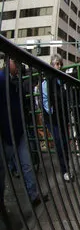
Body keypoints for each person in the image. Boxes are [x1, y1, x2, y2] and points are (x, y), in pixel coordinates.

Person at [0, 59, 48, 207]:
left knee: (26, 164)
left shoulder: (16, 81)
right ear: (9, 63)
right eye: (16, 63)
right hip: (6, 133)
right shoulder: (2, 79)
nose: (19, 67)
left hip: (18, 130)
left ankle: (33, 196)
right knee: (2, 170)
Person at [42, 54, 74, 182]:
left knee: (65, 144)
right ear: (52, 65)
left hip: (62, 117)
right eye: (57, 64)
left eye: (60, 64)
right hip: (53, 119)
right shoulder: (47, 81)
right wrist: (53, 113)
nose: (59, 66)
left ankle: (66, 168)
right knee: (60, 144)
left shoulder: (63, 80)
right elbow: (45, 101)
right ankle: (65, 170)